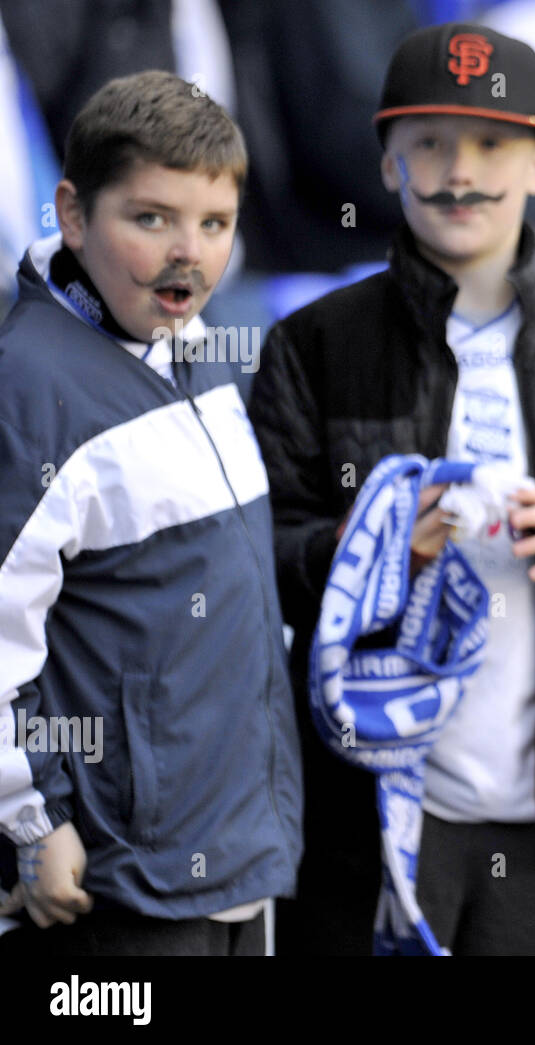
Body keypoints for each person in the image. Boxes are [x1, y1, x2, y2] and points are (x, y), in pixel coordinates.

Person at [248, 23, 535, 956]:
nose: (461, 171)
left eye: (493, 143)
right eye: (430, 144)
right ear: (387, 166)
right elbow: (257, 560)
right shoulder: (312, 344)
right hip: (367, 810)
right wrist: (365, 546)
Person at [0, 70, 303, 956]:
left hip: (238, 855)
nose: (188, 253)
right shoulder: (31, 391)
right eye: (151, 219)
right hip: (116, 883)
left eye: (214, 224)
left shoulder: (197, 346)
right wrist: (32, 822)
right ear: (73, 212)